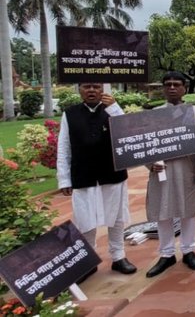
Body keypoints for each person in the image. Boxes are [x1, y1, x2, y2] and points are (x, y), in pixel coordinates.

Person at [57, 83, 137, 276]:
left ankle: (118, 256)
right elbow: (64, 147)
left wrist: (115, 108)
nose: (91, 90)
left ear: (103, 89)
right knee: (85, 219)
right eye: (87, 86)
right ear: (79, 89)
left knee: (116, 218)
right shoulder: (70, 114)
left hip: (112, 173)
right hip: (83, 174)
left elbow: (128, 134)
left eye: (96, 86)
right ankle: (88, 259)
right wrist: (64, 179)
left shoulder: (113, 110)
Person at [145, 72, 195, 277]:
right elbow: (143, 144)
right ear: (163, 88)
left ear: (184, 88)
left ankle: (188, 250)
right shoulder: (153, 115)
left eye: (176, 84)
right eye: (168, 84)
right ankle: (167, 254)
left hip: (187, 169)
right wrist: (150, 164)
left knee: (188, 211)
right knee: (163, 212)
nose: (172, 88)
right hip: (162, 171)